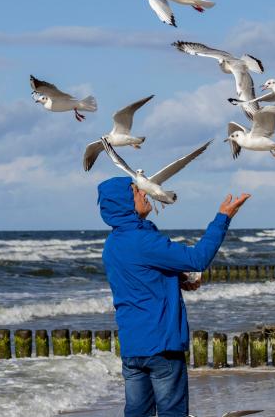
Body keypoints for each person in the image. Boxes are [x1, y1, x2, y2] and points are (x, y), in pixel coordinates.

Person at [97, 176, 251, 417]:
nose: (145, 194)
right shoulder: (144, 239)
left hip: (132, 347)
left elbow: (139, 278)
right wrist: (223, 218)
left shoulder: (112, 244)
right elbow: (197, 259)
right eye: (138, 192)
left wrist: (176, 280)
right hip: (161, 345)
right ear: (124, 202)